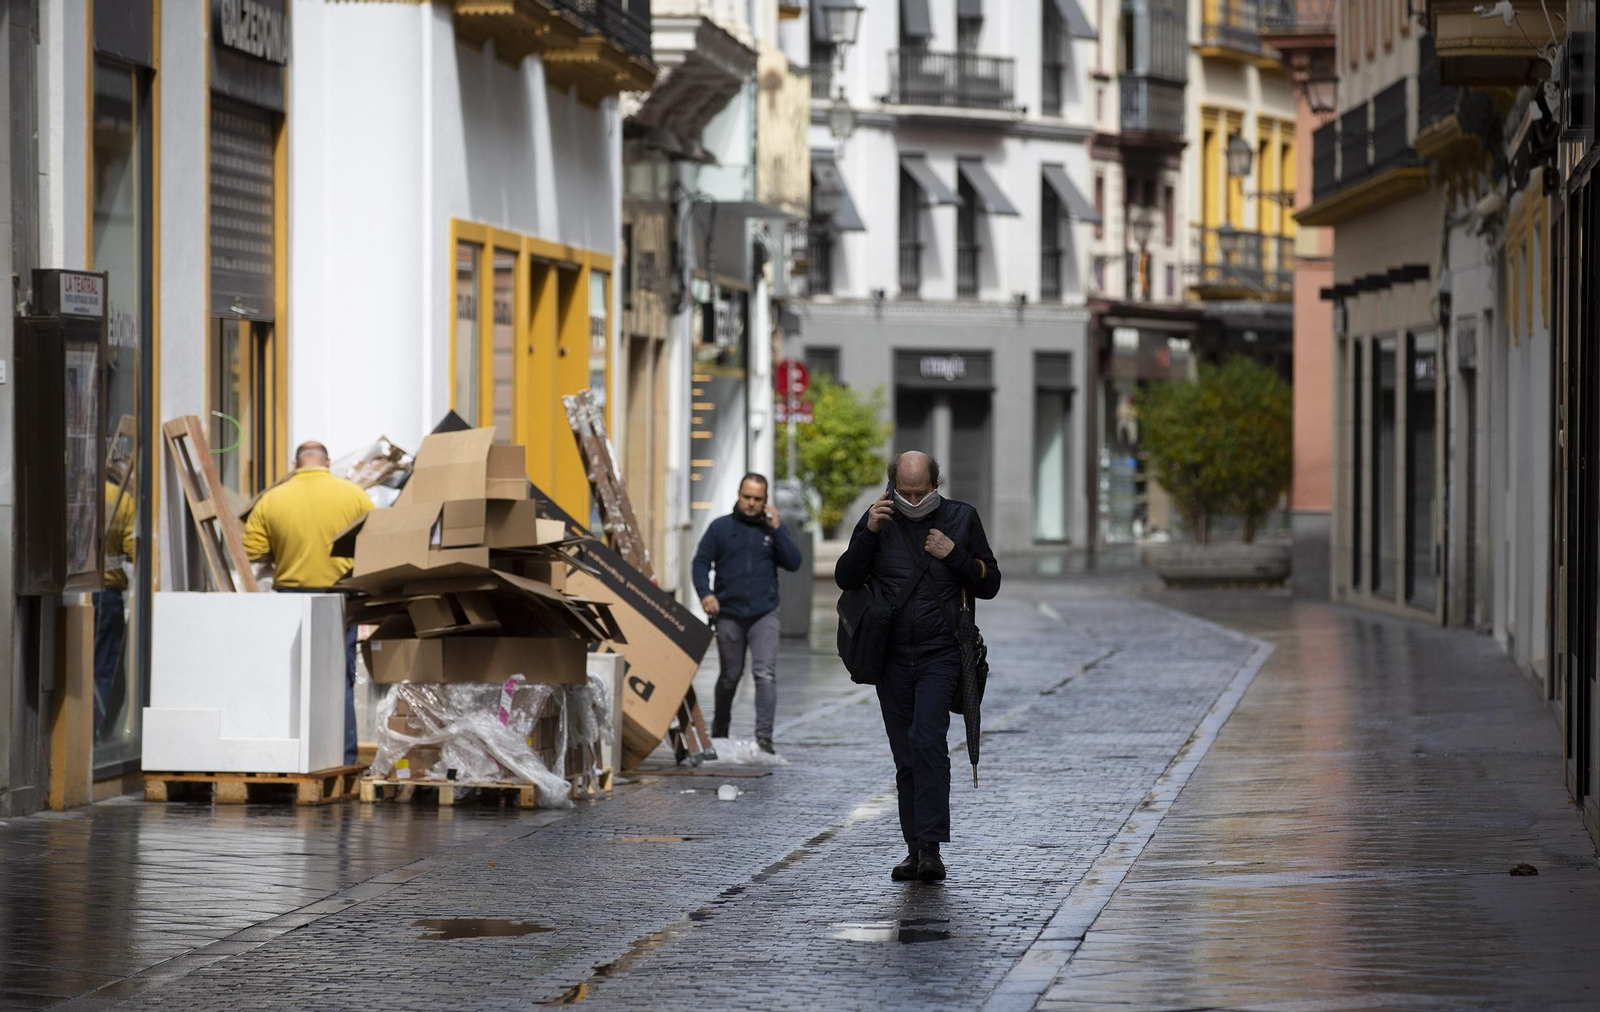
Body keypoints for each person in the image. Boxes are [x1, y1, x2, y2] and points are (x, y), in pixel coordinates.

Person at [835, 451, 1000, 883]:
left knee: (928, 741)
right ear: (891, 487)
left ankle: (931, 850)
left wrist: (954, 555)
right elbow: (846, 578)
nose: (912, 501)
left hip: (940, 653)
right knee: (905, 754)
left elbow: (991, 582)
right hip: (890, 657)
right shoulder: (877, 519)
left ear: (936, 485)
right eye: (903, 493)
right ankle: (914, 849)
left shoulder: (962, 519)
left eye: (920, 493)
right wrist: (869, 532)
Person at [244, 441, 375, 766]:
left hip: (290, 597)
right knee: (339, 678)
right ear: (327, 463)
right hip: (339, 596)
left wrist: (284, 550)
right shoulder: (353, 494)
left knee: (291, 677)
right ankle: (342, 759)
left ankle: (290, 756)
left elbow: (252, 549)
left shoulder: (272, 499)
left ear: (295, 463)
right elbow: (375, 540)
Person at [692, 473, 803, 754]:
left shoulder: (771, 530)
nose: (751, 503)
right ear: (739, 495)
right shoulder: (720, 528)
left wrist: (778, 530)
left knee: (764, 673)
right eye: (747, 497)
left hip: (764, 613)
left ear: (765, 501)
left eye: (757, 498)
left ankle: (764, 738)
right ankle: (720, 730)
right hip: (729, 613)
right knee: (730, 675)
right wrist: (706, 594)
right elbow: (700, 562)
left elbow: (794, 562)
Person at [93, 476, 137, 738]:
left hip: (70, 593)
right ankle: (100, 731)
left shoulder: (71, 491)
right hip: (107, 592)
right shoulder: (121, 499)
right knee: (104, 668)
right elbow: (134, 548)